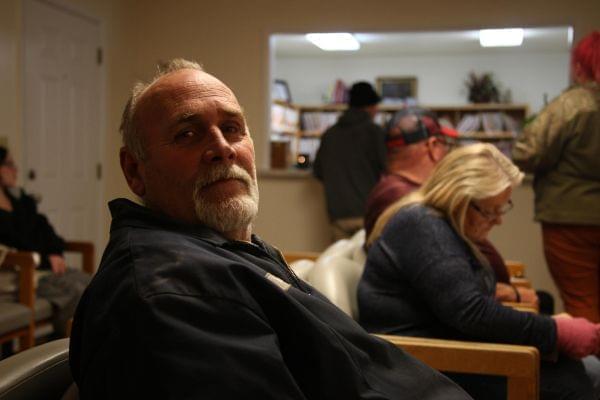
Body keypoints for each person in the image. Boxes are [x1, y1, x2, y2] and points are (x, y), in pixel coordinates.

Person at [69, 59, 470, 399]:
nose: (222, 148)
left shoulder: (228, 250)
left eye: (232, 128)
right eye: (186, 134)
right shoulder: (171, 295)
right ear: (135, 171)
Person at [359, 143, 600, 400]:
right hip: (422, 363)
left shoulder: (433, 222)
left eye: (502, 207)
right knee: (574, 382)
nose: (498, 220)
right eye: (491, 210)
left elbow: (458, 297)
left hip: (441, 349)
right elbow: (470, 311)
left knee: (581, 370)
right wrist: (555, 331)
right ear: (460, 199)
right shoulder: (424, 226)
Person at [364, 109, 541, 308]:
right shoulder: (408, 205)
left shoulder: (402, 194)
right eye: (445, 145)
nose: (448, 154)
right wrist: (509, 293)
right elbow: (453, 291)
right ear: (432, 146)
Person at [512, 31, 600, 323]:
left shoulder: (572, 105)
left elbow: (528, 153)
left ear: (579, 66)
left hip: (569, 218)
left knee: (582, 303)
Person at [0, 146, 90, 337]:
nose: (16, 170)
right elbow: (18, 247)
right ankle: (64, 348)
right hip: (24, 275)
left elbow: (44, 229)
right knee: (77, 292)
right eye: (10, 164)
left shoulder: (20, 200)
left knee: (93, 284)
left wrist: (55, 252)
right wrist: (48, 260)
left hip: (44, 266)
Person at [313, 81, 386, 241]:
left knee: (339, 263)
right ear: (369, 107)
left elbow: (318, 172)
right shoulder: (375, 132)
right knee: (367, 263)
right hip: (368, 213)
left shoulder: (330, 134)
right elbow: (388, 168)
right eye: (375, 106)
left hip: (338, 214)